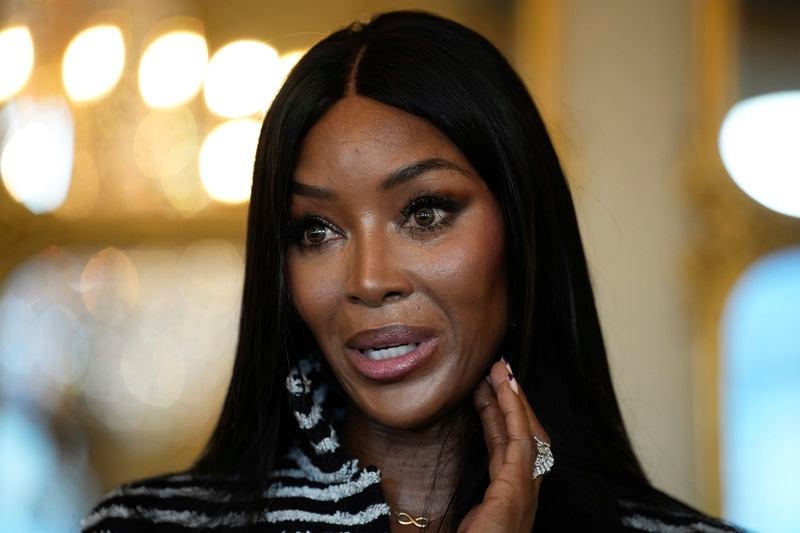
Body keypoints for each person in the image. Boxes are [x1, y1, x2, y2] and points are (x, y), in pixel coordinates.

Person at [81, 10, 742, 532]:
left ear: (521, 228)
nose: (369, 279)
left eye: (425, 213)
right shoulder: (142, 525)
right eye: (317, 229)